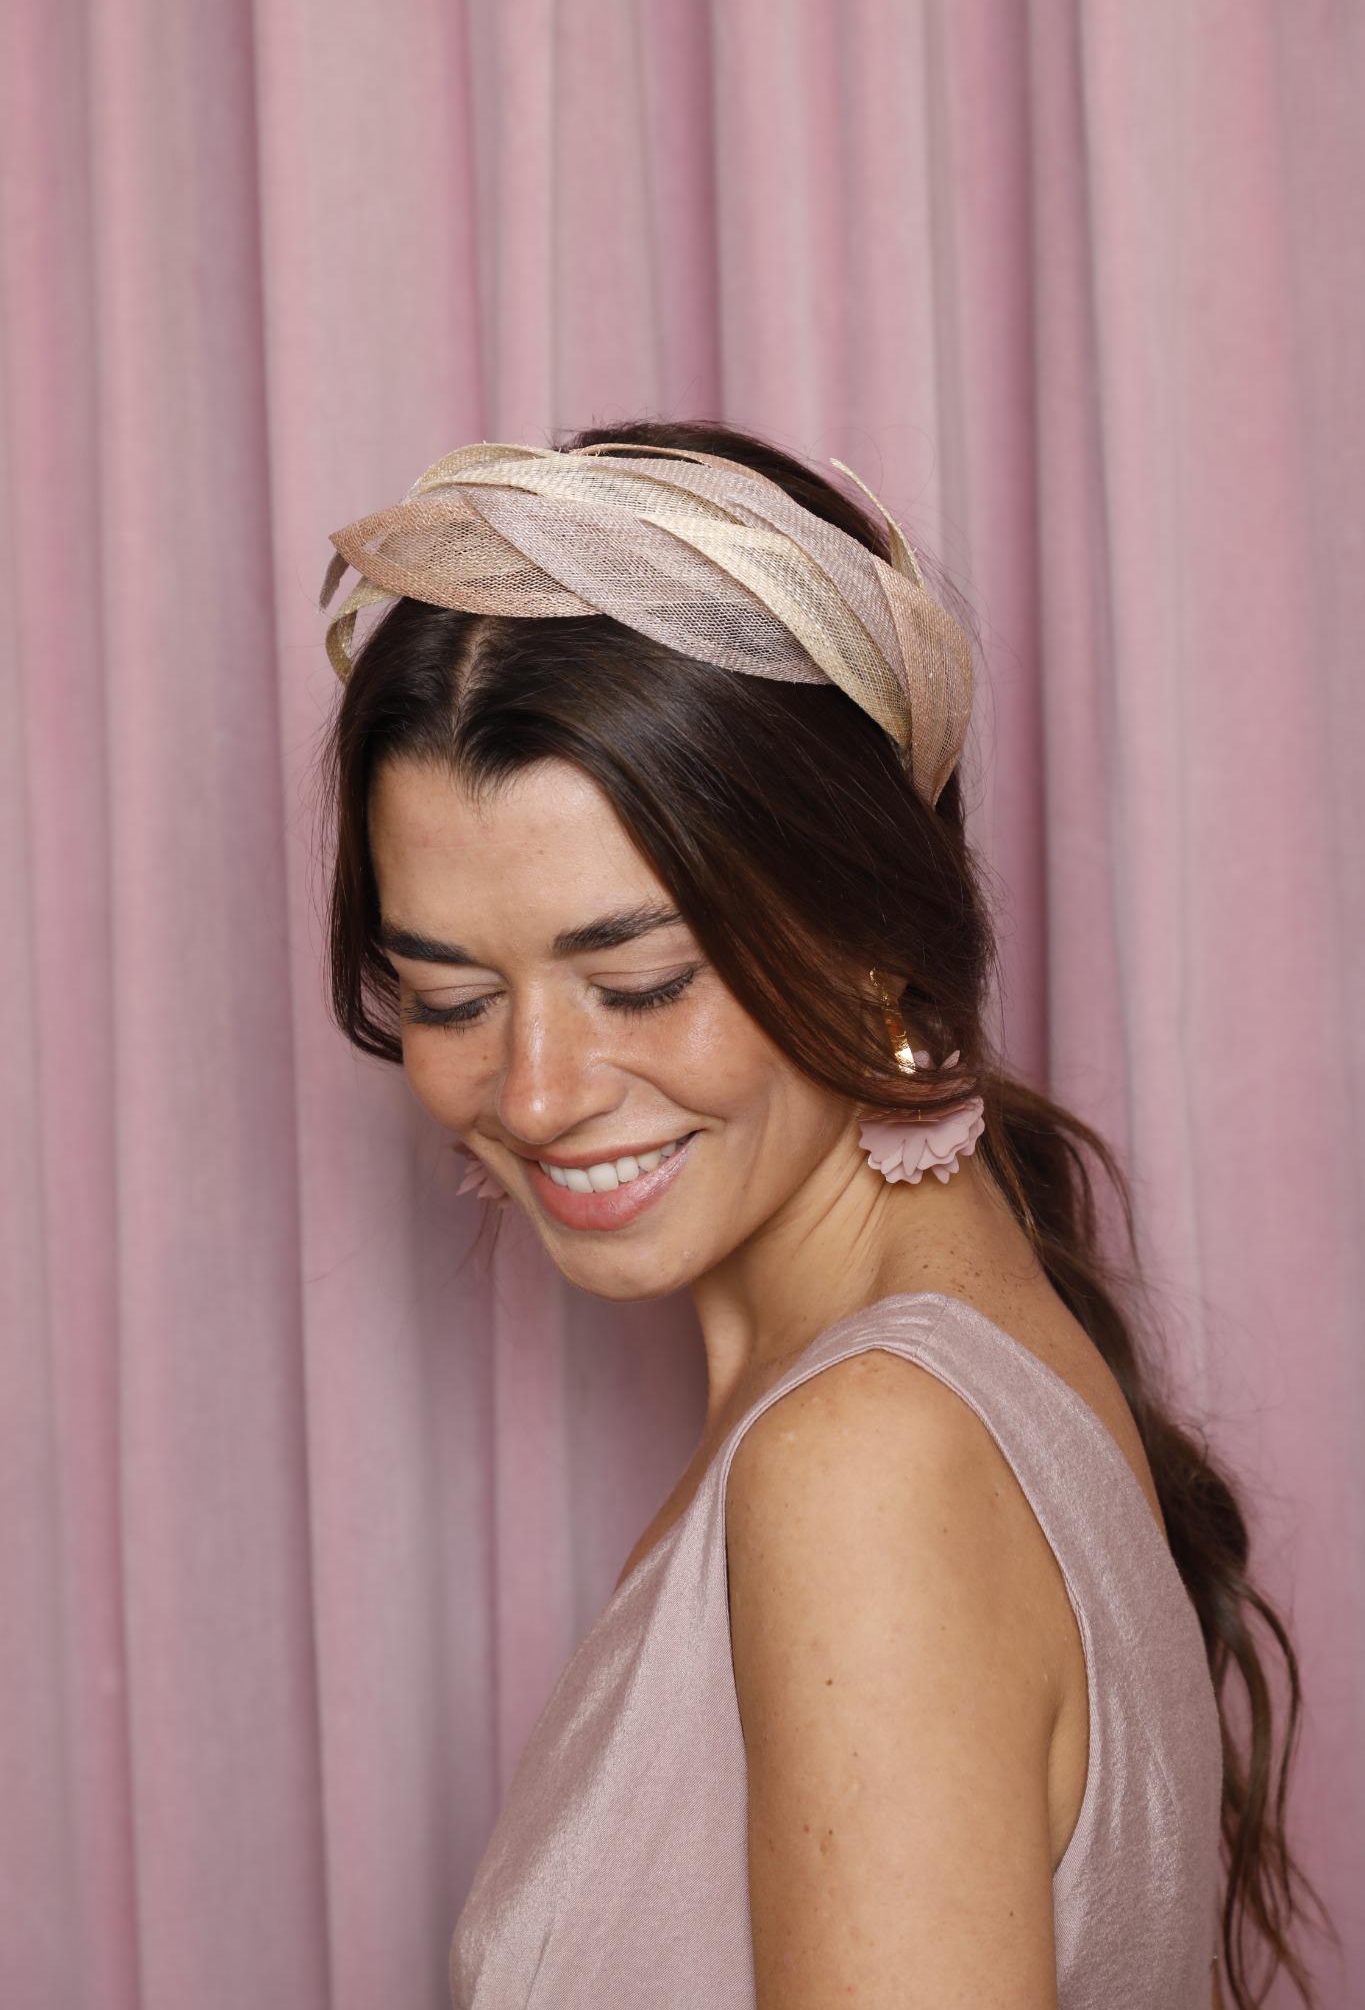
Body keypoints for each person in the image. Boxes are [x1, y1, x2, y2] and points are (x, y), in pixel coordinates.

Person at [315, 418, 1331, 2009]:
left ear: (868, 935)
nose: (535, 1093)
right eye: (452, 999)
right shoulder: (945, 1378)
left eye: (638, 982)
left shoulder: (866, 1462)